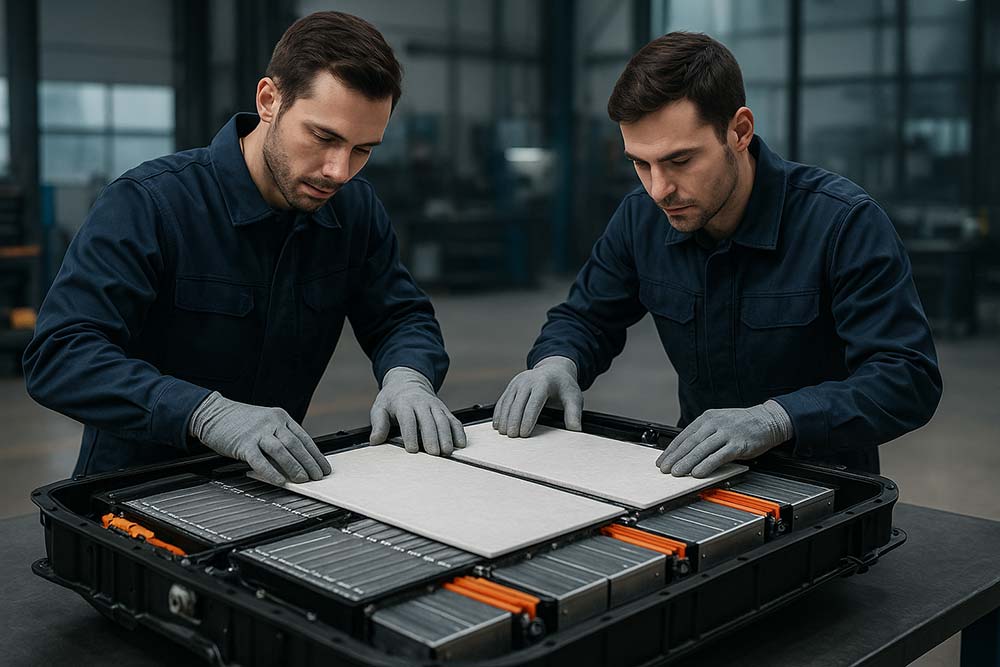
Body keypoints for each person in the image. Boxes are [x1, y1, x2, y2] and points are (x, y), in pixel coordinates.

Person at [24, 11, 466, 486]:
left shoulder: (353, 211)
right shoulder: (149, 204)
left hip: (269, 485)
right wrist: (202, 413)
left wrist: (408, 375)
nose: (339, 170)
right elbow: (61, 354)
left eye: (363, 149)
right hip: (134, 493)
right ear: (269, 100)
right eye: (324, 137)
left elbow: (399, 316)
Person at [492, 32, 941, 478]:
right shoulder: (639, 219)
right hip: (697, 474)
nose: (659, 189)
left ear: (740, 131)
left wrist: (776, 419)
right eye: (640, 163)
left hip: (825, 483)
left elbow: (906, 378)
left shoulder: (842, 223)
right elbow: (586, 317)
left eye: (681, 161)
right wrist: (556, 362)